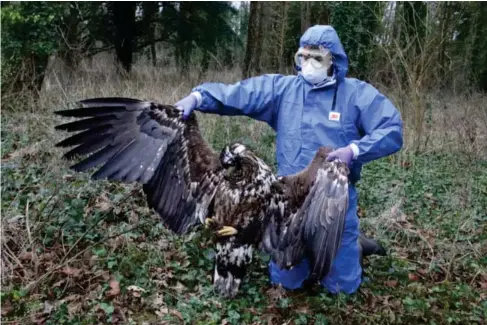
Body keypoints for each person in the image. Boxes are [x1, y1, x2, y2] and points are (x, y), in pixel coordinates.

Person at [175, 25, 403, 295]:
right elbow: (241, 94)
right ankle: (302, 259)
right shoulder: (284, 90)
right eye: (303, 57)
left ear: (334, 61)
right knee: (286, 284)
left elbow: (391, 129)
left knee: (342, 288)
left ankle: (353, 247)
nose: (309, 64)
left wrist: (354, 150)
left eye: (317, 58)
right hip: (288, 202)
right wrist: (199, 97)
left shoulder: (356, 94)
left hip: (334, 202)